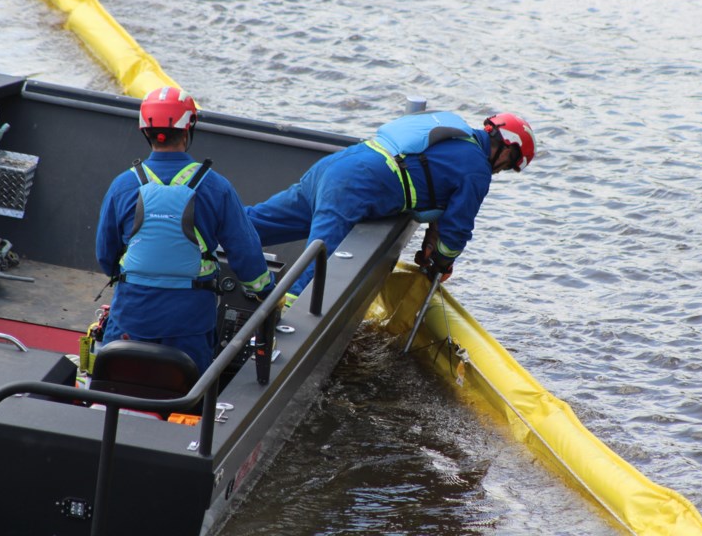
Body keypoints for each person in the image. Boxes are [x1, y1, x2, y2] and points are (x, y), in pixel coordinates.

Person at [245, 110, 536, 304]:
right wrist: (443, 262)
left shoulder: (454, 133)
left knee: (255, 225)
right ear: (507, 148)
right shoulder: (477, 169)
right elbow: (457, 229)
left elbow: (436, 191)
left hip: (338, 164)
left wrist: (430, 242)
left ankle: (204, 226)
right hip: (355, 187)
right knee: (312, 274)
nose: (501, 171)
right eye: (509, 165)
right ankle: (277, 338)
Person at [95, 87, 275, 374]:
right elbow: (246, 253)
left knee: (121, 383)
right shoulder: (216, 186)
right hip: (190, 325)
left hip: (130, 317)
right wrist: (263, 291)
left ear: (145, 131)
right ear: (189, 127)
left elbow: (106, 257)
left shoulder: (123, 185)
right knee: (186, 391)